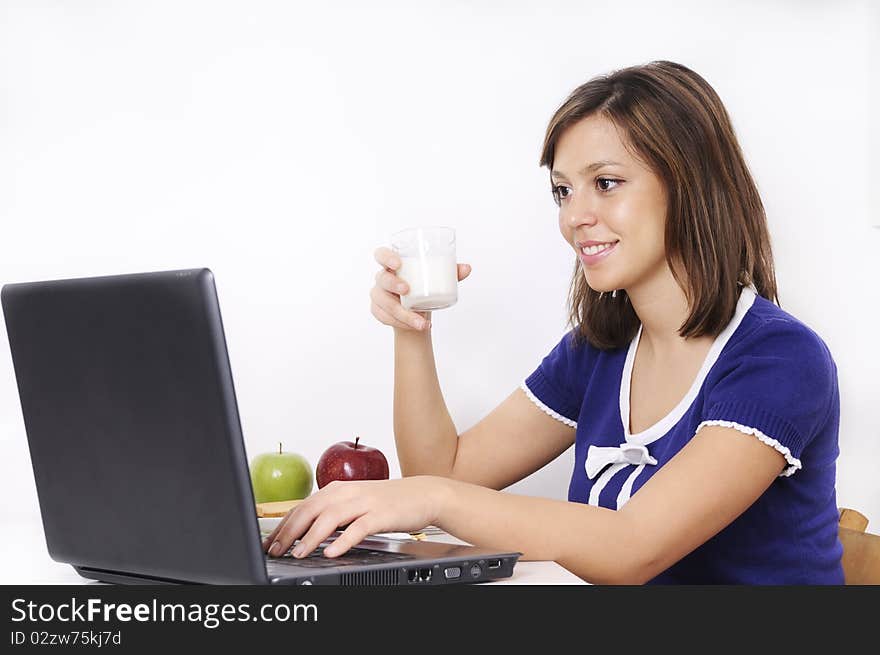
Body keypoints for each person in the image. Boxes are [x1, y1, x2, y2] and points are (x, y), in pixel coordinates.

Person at [263, 60, 844, 584]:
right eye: (562, 191)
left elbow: (632, 548)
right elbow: (446, 470)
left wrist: (433, 498)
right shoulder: (600, 350)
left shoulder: (779, 360)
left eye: (606, 183)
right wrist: (410, 329)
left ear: (689, 185)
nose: (575, 217)